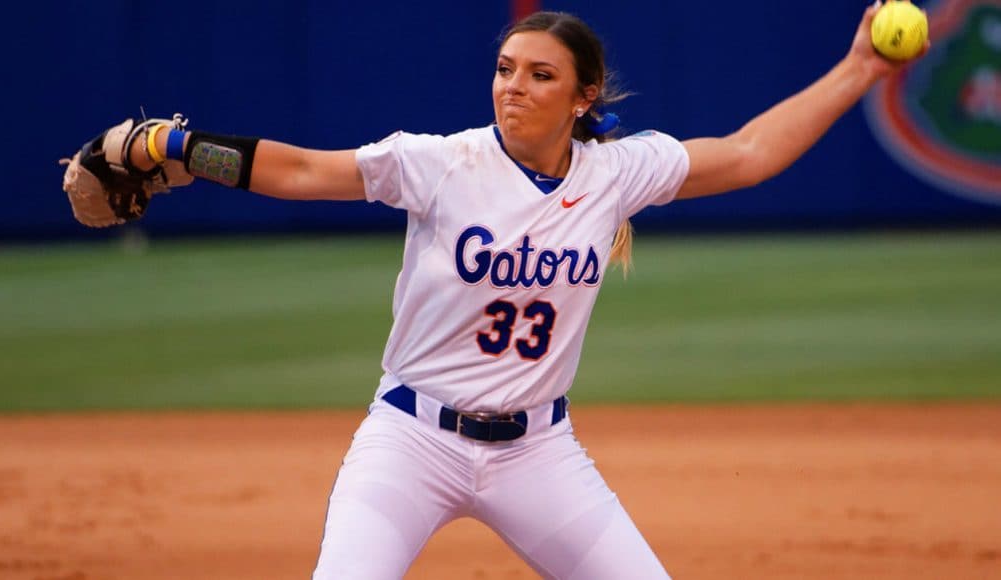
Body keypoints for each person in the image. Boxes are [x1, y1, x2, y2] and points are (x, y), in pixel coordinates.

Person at [119, 5, 921, 578]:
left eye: (541, 76)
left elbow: (749, 153)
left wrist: (859, 67)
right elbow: (300, 169)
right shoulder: (441, 163)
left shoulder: (617, 173)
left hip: (537, 453)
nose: (514, 87)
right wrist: (179, 146)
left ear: (582, 99)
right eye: (506, 70)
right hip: (410, 442)